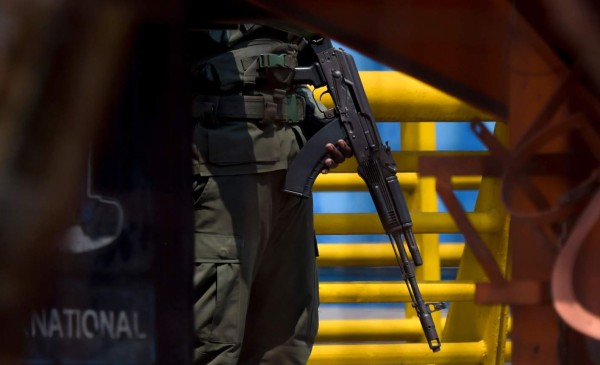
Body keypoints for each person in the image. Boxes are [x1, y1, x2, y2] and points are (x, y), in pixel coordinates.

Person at [189, 24, 352, 364]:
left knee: (286, 340)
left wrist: (321, 123)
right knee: (212, 341)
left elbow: (305, 54)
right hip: (221, 164)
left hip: (288, 165)